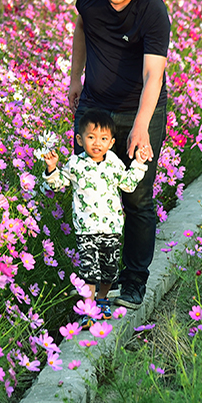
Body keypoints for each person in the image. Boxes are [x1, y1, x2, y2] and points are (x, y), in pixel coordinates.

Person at [67, 0, 170, 310]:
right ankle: (97, 281)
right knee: (91, 189)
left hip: (137, 109)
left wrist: (141, 125)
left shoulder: (152, 11)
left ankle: (134, 281)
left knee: (137, 198)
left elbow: (153, 77)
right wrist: (75, 77)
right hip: (94, 108)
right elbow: (82, 28)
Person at [42, 108, 148, 323]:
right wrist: (52, 168)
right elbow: (59, 183)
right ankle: (88, 310)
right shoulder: (75, 164)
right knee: (88, 270)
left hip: (111, 228)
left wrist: (138, 163)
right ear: (80, 140)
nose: (97, 143)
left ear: (111, 142)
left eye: (103, 138)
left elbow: (128, 185)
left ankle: (102, 299)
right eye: (91, 137)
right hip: (86, 229)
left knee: (109, 270)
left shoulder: (114, 163)